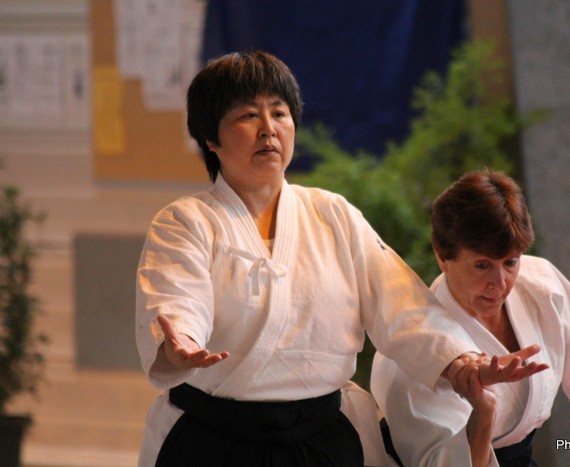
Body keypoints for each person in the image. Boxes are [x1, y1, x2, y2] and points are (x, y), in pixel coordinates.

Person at [134, 52, 547, 467]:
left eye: (279, 113)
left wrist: (460, 361)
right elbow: (177, 300)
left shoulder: (333, 214)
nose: (268, 129)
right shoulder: (185, 221)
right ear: (210, 138)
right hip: (212, 437)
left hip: (325, 436)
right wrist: (181, 343)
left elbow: (402, 306)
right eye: (247, 115)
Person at [370, 169, 570, 467]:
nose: (500, 283)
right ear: (442, 255)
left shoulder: (541, 286)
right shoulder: (414, 348)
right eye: (482, 265)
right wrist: (483, 411)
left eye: (510, 262)